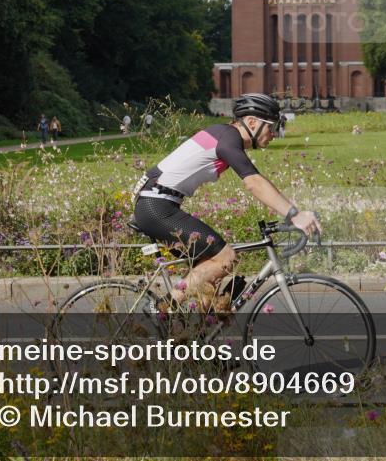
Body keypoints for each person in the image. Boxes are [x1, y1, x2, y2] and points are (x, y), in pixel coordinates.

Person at [131, 93, 321, 310]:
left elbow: (257, 183)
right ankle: (163, 308)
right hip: (156, 205)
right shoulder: (228, 138)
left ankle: (194, 335)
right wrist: (295, 214)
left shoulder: (224, 135)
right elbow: (254, 182)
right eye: (272, 126)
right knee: (226, 257)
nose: (275, 132)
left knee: (212, 275)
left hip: (158, 203)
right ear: (251, 122)